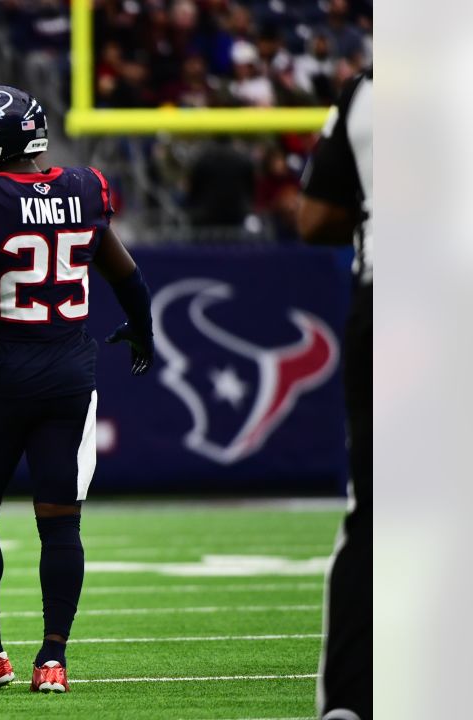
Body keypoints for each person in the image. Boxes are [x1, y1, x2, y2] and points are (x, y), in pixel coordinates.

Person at [0, 85, 155, 694]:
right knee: (60, 522)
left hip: (1, 378)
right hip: (72, 377)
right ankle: (54, 660)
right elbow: (127, 274)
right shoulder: (85, 189)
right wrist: (143, 328)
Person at [297, 68, 372, 720]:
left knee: (376, 518)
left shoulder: (368, 92)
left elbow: (315, 217)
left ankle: (350, 704)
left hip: (394, 300)